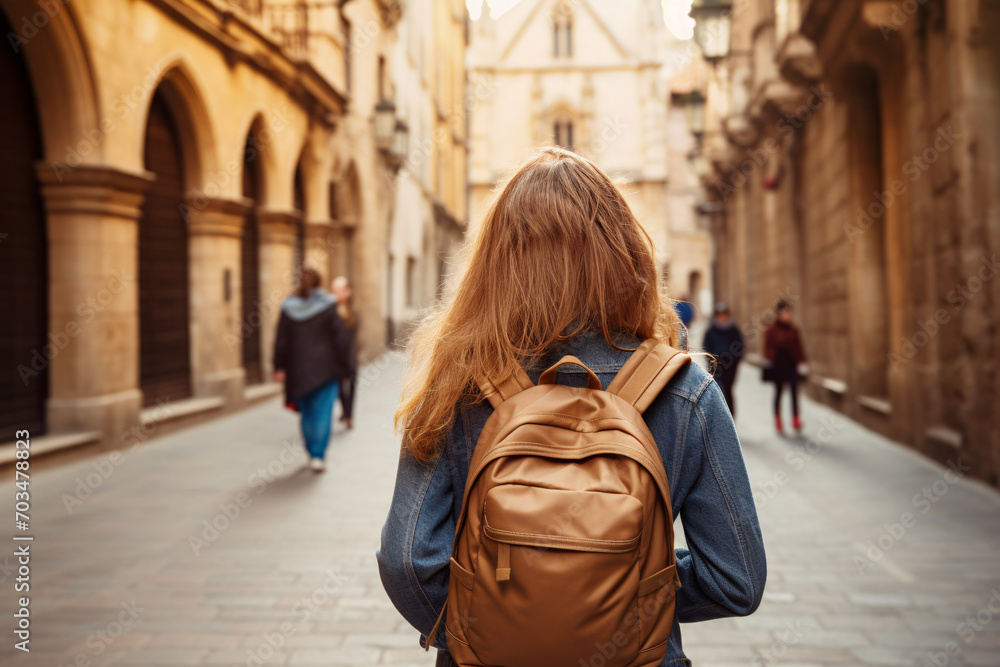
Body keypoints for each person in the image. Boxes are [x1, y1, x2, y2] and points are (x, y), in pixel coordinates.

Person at [376, 148, 766, 666]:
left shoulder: (459, 383)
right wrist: (616, 592)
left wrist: (494, 622)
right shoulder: (686, 390)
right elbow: (734, 578)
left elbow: (407, 560)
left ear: (493, 263)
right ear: (624, 254)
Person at [273, 267, 352, 472]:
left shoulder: (288, 307)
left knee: (307, 412)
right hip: (326, 370)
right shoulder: (328, 305)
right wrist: (344, 364)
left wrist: (278, 366)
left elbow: (281, 340)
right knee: (323, 412)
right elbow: (340, 338)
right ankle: (318, 455)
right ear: (320, 282)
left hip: (297, 370)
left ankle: (311, 452)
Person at [764, 300, 808, 433]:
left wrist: (803, 361)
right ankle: (777, 418)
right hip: (778, 365)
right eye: (783, 313)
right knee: (778, 392)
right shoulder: (771, 330)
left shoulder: (793, 329)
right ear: (778, 314)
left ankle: (795, 418)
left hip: (791, 364)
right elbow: (767, 348)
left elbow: (799, 346)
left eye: (788, 312)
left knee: (795, 392)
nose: (786, 315)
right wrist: (772, 356)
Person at [702, 302, 744, 416]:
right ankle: (719, 418)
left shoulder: (734, 330)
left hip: (731, 366)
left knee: (728, 390)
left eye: (724, 315)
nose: (722, 318)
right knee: (717, 391)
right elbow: (706, 348)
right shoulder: (711, 331)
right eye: (720, 315)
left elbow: (740, 346)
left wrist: (735, 358)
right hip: (717, 367)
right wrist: (712, 361)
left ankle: (731, 417)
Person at [331, 276, 358, 430]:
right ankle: (346, 412)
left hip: (350, 355)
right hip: (336, 358)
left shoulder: (353, 310)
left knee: (352, 384)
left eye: (340, 290)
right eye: (334, 290)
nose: (337, 294)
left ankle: (349, 415)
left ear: (347, 292)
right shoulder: (330, 310)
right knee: (341, 386)